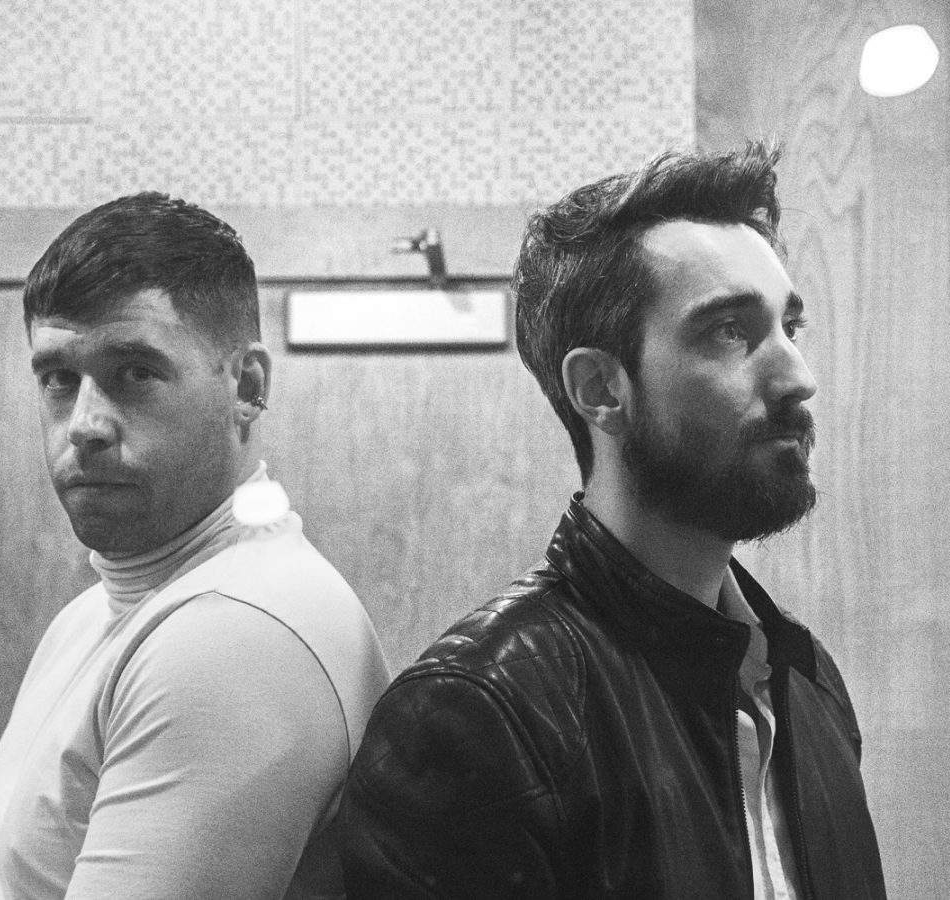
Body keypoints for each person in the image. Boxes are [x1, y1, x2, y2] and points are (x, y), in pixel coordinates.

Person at [338, 144, 886, 899]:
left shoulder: (806, 680)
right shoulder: (478, 714)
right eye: (730, 331)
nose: (799, 376)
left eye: (790, 327)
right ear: (600, 388)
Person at [0, 193, 391, 900]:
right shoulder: (92, 615)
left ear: (247, 386)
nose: (84, 424)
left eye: (134, 373)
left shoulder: (237, 630)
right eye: (58, 379)